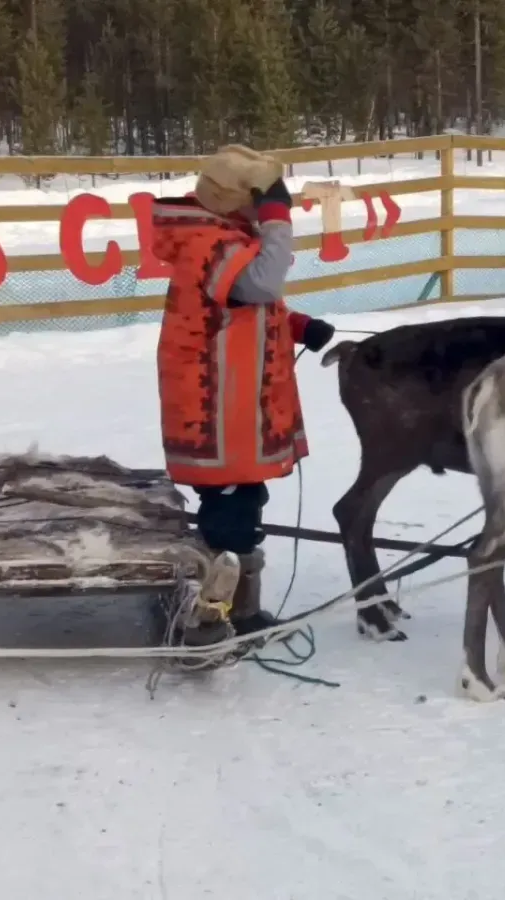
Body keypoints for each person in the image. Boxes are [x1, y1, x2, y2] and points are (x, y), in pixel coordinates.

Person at [151, 144, 337, 646]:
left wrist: (297, 325)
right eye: (264, 198)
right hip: (216, 406)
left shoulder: (221, 236)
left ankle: (239, 610)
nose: (269, 209)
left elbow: (239, 305)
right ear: (239, 200)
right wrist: (279, 222)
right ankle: (214, 620)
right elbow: (259, 283)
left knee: (243, 500)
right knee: (230, 511)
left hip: (232, 400)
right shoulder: (208, 240)